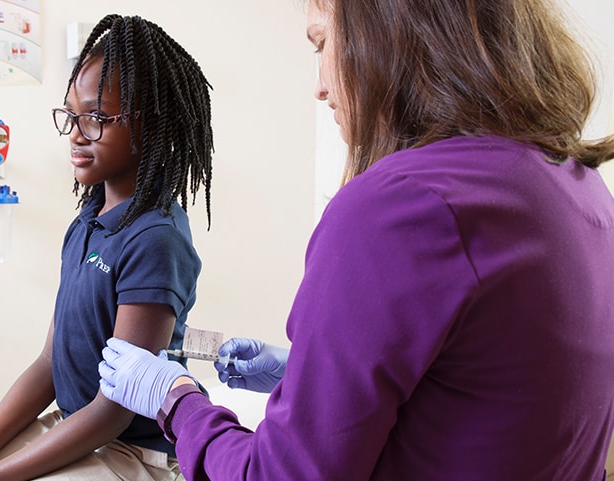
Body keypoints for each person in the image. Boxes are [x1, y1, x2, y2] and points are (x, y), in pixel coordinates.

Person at [98, 0, 614, 479]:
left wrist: (178, 400)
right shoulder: (580, 188)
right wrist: (308, 376)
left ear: (388, 31)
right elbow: (485, 398)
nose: (319, 87)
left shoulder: (398, 206)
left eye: (322, 45)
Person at [0, 14, 214, 481]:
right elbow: (50, 362)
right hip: (80, 425)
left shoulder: (156, 240)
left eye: (95, 118)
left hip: (133, 452)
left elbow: (114, 410)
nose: (75, 133)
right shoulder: (88, 222)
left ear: (151, 125)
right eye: (71, 115)